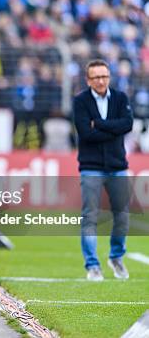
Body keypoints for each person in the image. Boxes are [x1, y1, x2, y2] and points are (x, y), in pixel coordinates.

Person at [73, 59, 133, 281]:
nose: (101, 81)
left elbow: (127, 125)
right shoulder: (80, 101)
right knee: (90, 216)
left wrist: (98, 123)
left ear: (109, 77)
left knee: (123, 215)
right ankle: (92, 265)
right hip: (91, 167)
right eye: (96, 77)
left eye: (104, 76)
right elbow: (85, 134)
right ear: (88, 80)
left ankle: (116, 257)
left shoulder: (120, 98)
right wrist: (112, 128)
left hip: (118, 166)